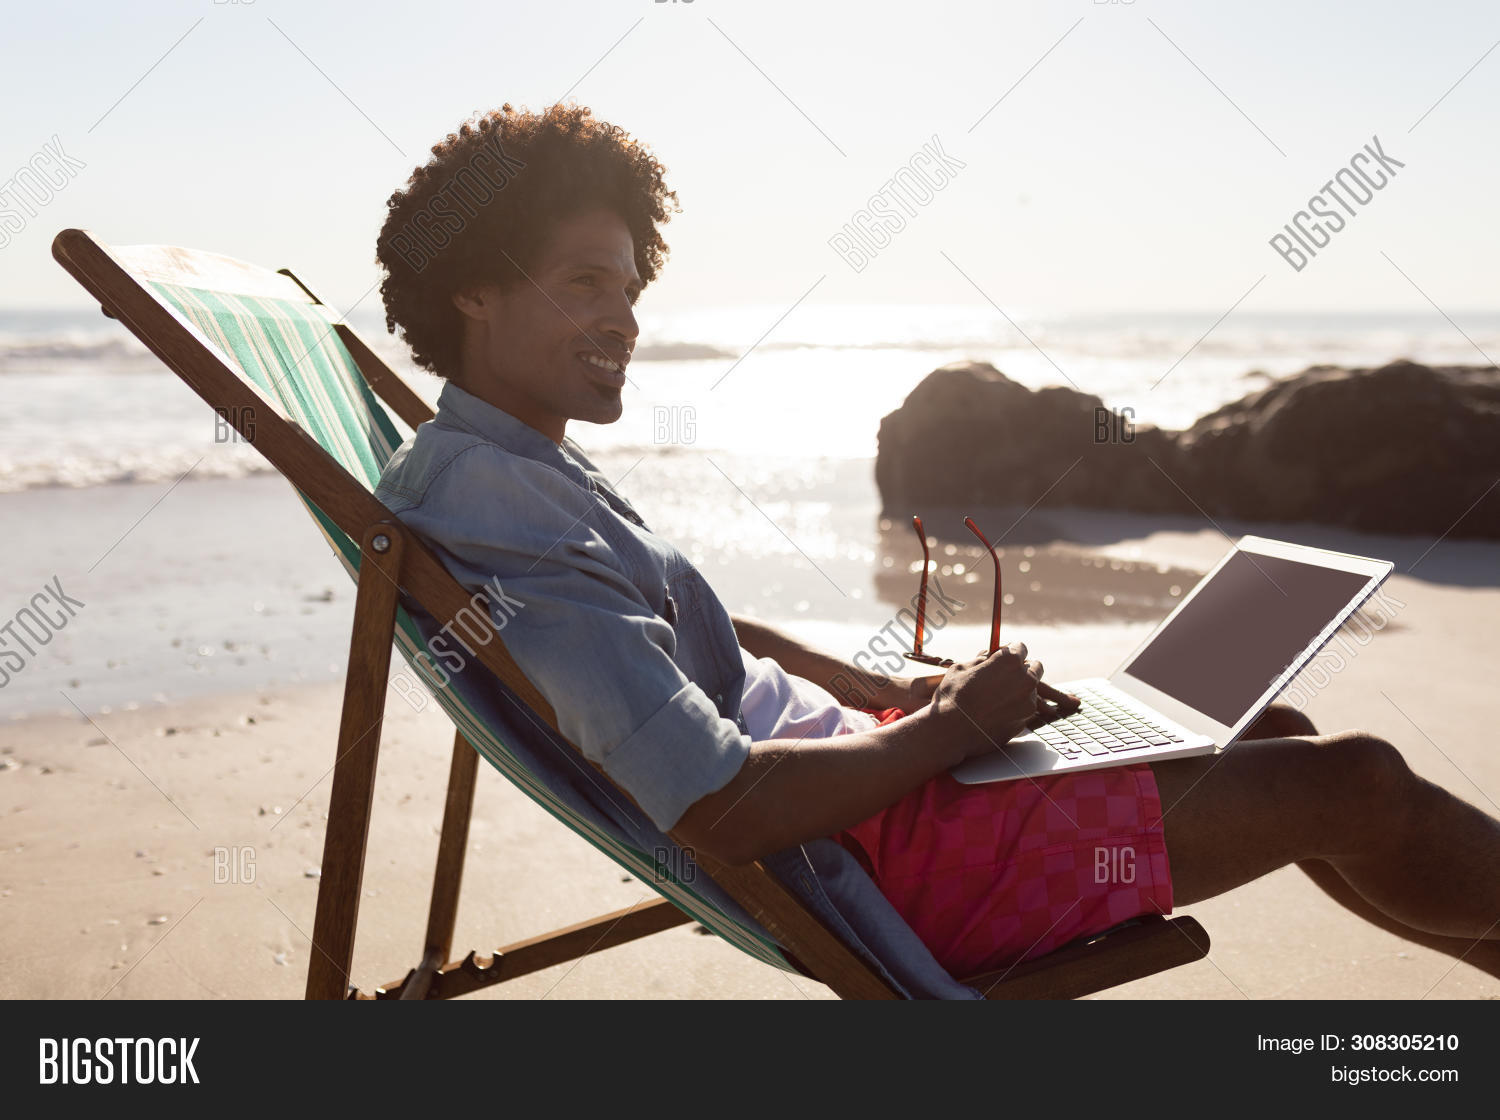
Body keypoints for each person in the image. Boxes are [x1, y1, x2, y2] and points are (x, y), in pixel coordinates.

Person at [373, 103, 1500, 986]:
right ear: (472, 286)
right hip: (895, 866)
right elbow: (718, 803)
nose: (623, 318)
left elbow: (688, 636)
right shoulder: (504, 515)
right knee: (1353, 779)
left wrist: (891, 694)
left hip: (881, 787)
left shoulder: (509, 465)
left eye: (629, 289)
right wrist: (954, 729)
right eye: (584, 285)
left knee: (1286, 734)